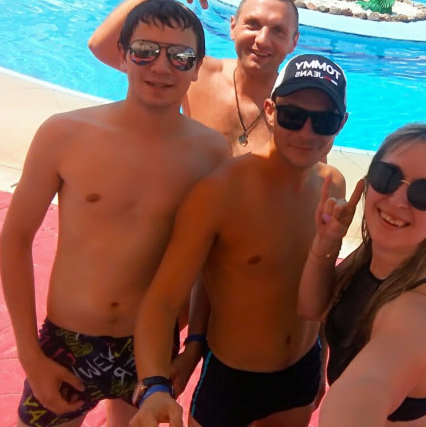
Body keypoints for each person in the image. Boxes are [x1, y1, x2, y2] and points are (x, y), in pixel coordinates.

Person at [0, 0, 230, 427]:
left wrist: (193, 346)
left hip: (151, 349)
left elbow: (208, 263)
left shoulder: (211, 153)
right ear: (123, 56)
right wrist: (30, 355)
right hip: (68, 340)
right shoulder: (65, 134)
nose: (161, 67)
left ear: (197, 68)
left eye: (180, 57)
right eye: (145, 51)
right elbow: (15, 240)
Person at [129, 54, 349, 427]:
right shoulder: (220, 192)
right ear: (270, 111)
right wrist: (155, 386)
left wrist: (322, 360)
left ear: (341, 124)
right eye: (293, 116)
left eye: (324, 121)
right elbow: (162, 299)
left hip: (301, 369)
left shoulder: (333, 185)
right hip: (232, 377)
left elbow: (322, 288)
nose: (307, 132)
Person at [298, 124, 426, 426]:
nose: (397, 200)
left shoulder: (422, 308)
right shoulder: (381, 254)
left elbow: (362, 394)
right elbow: (312, 308)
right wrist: (327, 241)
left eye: (425, 192)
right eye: (387, 176)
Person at [88, 0, 300, 157]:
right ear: (233, 27)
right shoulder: (197, 71)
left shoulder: (299, 109)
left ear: (294, 42)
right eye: (252, 24)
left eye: (278, 31)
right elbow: (102, 46)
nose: (262, 40)